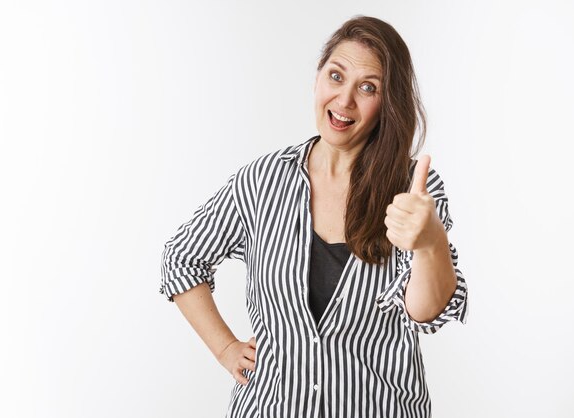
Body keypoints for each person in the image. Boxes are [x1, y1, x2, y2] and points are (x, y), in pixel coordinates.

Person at [160, 15, 468, 418]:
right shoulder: (263, 180)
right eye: (336, 77)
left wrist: (430, 243)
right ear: (318, 77)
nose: (344, 101)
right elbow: (181, 258)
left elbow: (426, 312)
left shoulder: (413, 190)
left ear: (387, 103)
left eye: (368, 87)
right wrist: (225, 347)